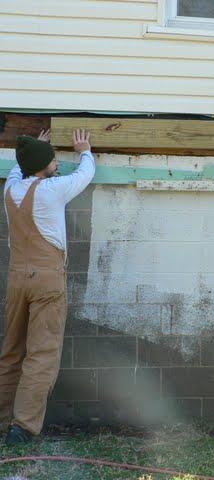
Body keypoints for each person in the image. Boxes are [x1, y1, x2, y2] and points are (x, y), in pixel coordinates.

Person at [0, 129, 95, 444]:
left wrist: (33, 147)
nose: (56, 162)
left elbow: (18, 167)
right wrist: (84, 150)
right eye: (52, 158)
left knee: (11, 351)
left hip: (16, 279)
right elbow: (85, 174)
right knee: (41, 353)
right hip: (46, 280)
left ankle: (1, 419)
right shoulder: (53, 189)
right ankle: (22, 427)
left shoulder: (10, 190)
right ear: (43, 166)